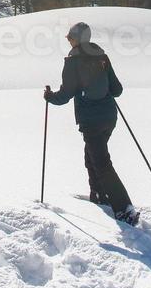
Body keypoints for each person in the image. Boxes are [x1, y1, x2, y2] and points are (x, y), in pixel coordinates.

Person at [44, 21, 139, 226]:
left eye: (70, 37)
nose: (68, 40)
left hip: (90, 119)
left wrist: (50, 97)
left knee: (102, 162)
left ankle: (124, 209)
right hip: (108, 117)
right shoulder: (102, 57)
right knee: (92, 156)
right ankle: (99, 195)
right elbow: (117, 90)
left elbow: (66, 94)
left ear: (77, 39)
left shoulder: (73, 61)